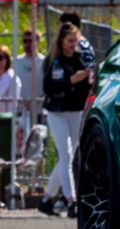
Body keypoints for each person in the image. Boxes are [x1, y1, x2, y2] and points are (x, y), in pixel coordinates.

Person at [38, 19, 96, 216]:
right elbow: (48, 88)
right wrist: (71, 80)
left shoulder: (79, 58)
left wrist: (86, 80)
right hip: (57, 111)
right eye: (69, 41)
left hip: (75, 110)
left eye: (75, 41)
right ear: (61, 41)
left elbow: (86, 84)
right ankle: (72, 200)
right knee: (66, 154)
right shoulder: (52, 61)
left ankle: (46, 199)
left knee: (69, 155)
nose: (73, 45)